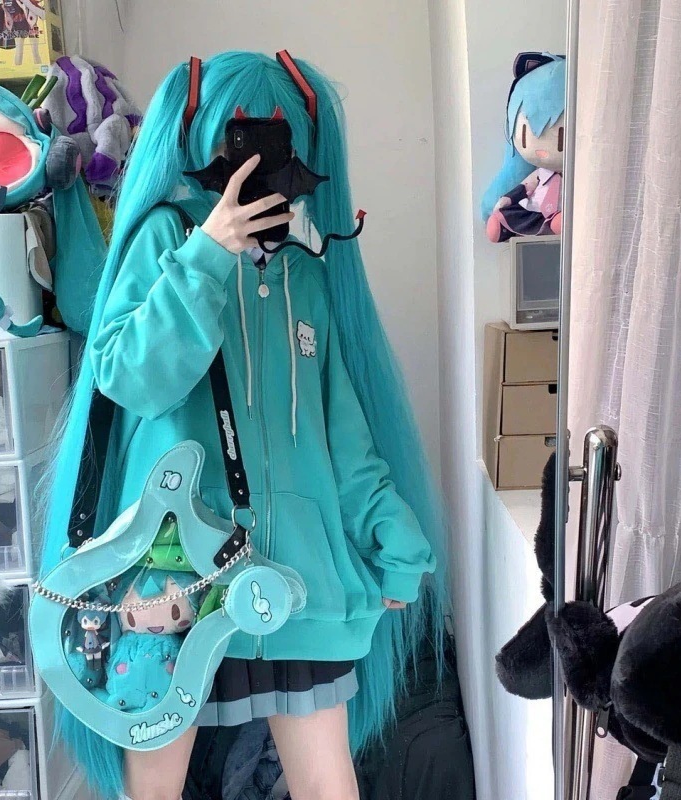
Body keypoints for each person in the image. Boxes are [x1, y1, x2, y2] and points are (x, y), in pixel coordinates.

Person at [40, 50, 448, 800]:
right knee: (154, 784)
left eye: (278, 137)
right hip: (174, 573)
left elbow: (342, 439)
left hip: (298, 576)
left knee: (328, 782)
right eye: (241, 136)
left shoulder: (306, 275)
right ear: (199, 140)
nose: (259, 157)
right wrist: (207, 253)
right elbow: (128, 376)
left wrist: (393, 539)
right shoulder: (165, 241)